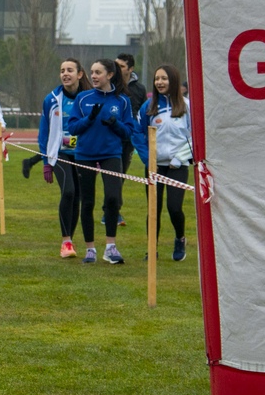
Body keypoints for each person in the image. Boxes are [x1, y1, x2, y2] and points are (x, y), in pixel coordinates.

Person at [66, 59, 135, 265]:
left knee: (113, 198)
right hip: (85, 155)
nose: (94, 76)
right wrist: (89, 119)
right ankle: (90, 249)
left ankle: (110, 248)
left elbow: (128, 132)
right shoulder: (82, 98)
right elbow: (73, 128)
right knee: (87, 202)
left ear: (110, 75)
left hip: (111, 154)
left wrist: (115, 124)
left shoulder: (122, 101)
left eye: (98, 72)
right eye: (92, 72)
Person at [135, 63, 193, 262]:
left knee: (174, 207)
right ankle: (152, 249)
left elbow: (195, 137)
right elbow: (138, 134)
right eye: (157, 79)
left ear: (173, 80)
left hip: (178, 165)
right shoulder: (148, 106)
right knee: (154, 209)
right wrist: (148, 159)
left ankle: (180, 238)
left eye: (164, 78)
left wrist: (180, 158)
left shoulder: (187, 106)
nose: (159, 82)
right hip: (154, 166)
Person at [35, 58, 86, 257]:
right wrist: (46, 162)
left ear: (79, 74)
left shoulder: (88, 98)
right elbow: (44, 132)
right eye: (62, 70)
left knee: (78, 196)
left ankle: (70, 240)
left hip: (82, 155)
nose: (65, 74)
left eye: (70, 70)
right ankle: (65, 241)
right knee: (68, 192)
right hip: (60, 153)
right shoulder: (52, 99)